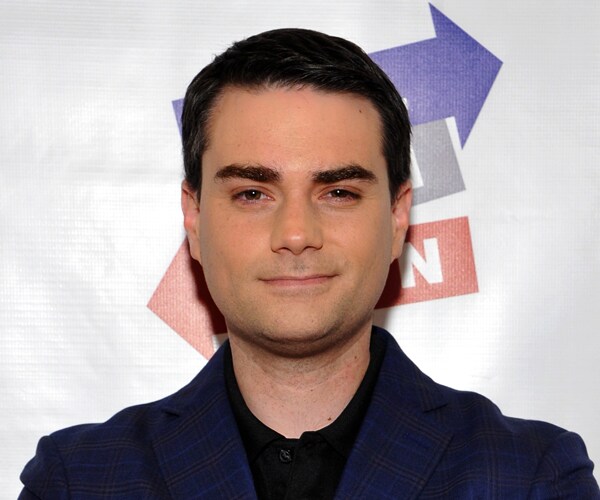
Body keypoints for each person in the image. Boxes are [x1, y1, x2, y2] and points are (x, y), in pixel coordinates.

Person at [20, 28, 599, 499]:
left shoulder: (531, 476)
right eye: (252, 193)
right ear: (193, 219)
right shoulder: (79, 480)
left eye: (339, 192)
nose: (296, 234)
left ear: (398, 216)